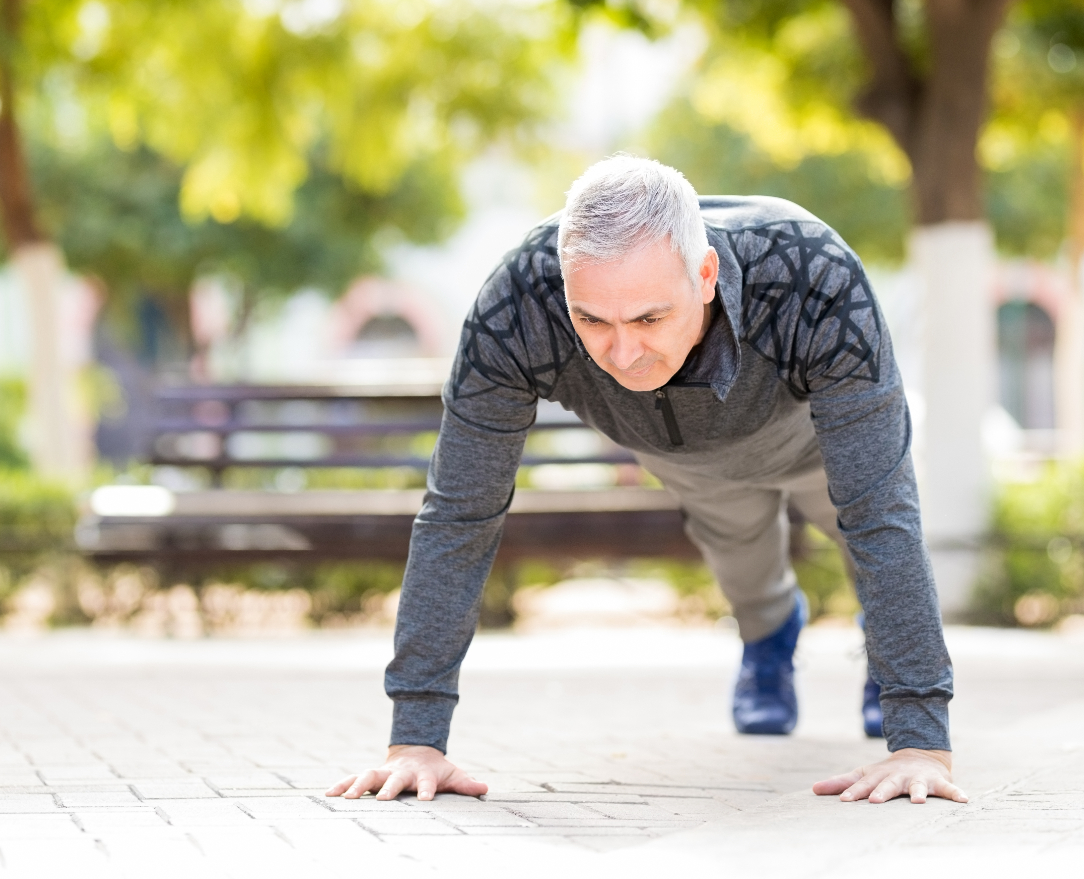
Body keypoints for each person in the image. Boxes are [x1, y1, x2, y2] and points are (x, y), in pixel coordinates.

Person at [327, 156, 966, 807]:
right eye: (593, 321)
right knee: (744, 561)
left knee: (859, 536)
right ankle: (770, 637)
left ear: (706, 275)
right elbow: (460, 514)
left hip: (815, 446)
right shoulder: (518, 302)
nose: (623, 353)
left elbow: (882, 512)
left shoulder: (812, 275)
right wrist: (415, 739)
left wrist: (919, 738)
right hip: (687, 459)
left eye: (650, 319)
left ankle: (884, 666)